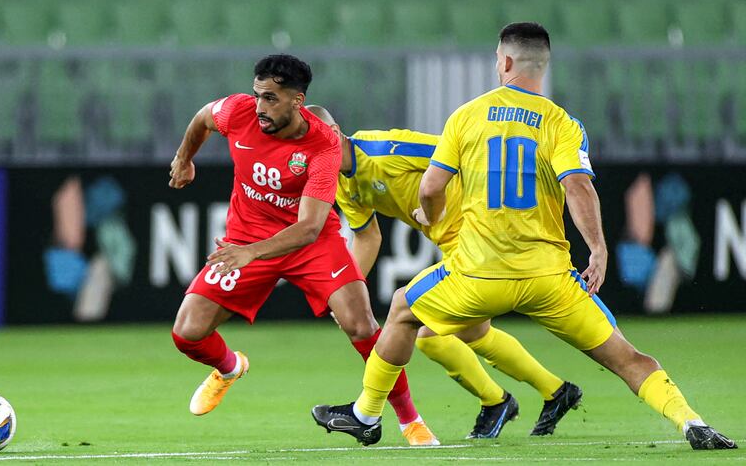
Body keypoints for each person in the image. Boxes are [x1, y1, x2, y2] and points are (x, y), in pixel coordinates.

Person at [311, 24, 737, 451]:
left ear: (506, 62)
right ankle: (691, 422)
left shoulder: (466, 116)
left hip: (479, 274)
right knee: (628, 359)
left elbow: (430, 187)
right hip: (548, 279)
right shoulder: (561, 123)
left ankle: (367, 415)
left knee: (404, 309)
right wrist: (599, 248)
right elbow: (579, 188)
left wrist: (432, 213)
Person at [168, 54, 438, 446]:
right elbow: (202, 118)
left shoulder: (323, 144)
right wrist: (184, 158)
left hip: (307, 245)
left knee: (361, 324)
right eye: (258, 95)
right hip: (247, 238)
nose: (260, 107)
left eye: (271, 99)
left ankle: (409, 420)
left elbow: (309, 228)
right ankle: (229, 368)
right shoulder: (238, 111)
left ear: (297, 100)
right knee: (186, 334)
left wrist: (251, 253)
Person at [306, 104, 580, 438]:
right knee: (467, 333)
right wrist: (348, 293)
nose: (305, 158)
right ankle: (551, 392)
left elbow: (458, 151)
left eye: (308, 146)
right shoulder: (341, 183)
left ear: (332, 135)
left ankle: (371, 413)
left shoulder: (385, 150)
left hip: (479, 238)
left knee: (419, 325)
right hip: (456, 246)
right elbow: (367, 236)